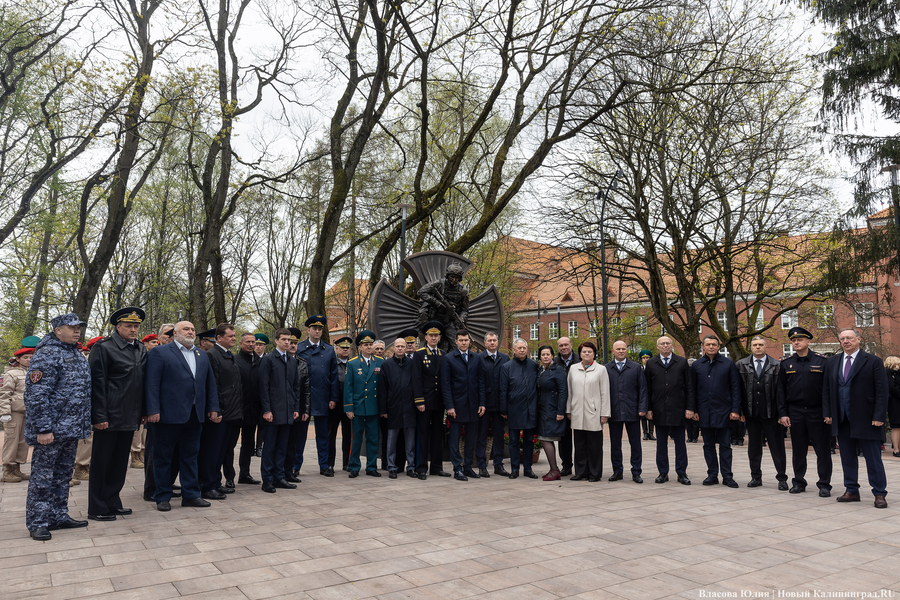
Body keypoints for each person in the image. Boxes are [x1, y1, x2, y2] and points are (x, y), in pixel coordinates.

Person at [23, 313, 92, 540]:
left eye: (79, 327)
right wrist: (43, 429)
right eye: (71, 327)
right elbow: (36, 395)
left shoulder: (75, 353)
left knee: (62, 475)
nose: (76, 331)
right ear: (57, 330)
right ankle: (38, 521)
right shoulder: (47, 354)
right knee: (43, 478)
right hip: (50, 431)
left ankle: (58, 515)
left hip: (70, 428)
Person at [144, 321, 220, 511]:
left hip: (195, 415)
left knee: (190, 457)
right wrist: (152, 410)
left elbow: (209, 384)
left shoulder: (201, 355)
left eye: (193, 329)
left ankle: (191, 494)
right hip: (168, 415)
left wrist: (213, 408)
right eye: (186, 329)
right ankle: (162, 496)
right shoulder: (160, 352)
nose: (190, 332)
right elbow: (151, 384)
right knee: (163, 458)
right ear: (175, 333)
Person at [87, 306, 148, 521]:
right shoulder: (104, 348)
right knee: (102, 462)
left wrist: (143, 411)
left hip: (130, 415)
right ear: (118, 327)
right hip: (109, 416)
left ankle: (113, 501)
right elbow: (96, 385)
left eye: (136, 326)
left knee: (119, 463)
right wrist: (99, 416)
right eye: (129, 326)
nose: (133, 330)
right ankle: (97, 506)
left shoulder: (140, 349)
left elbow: (141, 384)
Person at [823, 328, 890, 508]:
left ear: (858, 340)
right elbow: (827, 390)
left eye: (850, 338)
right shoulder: (832, 362)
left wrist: (879, 416)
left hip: (868, 419)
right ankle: (851, 490)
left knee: (873, 459)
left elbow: (882, 391)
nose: (846, 341)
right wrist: (828, 413)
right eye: (843, 339)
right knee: (847, 457)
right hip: (842, 418)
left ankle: (879, 493)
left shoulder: (873, 361)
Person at [776, 327, 832, 496]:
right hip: (796, 412)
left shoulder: (823, 361)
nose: (796, 342)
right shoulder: (786, 363)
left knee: (822, 450)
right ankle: (799, 482)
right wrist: (783, 413)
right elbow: (781, 391)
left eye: (800, 340)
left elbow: (828, 389)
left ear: (808, 341)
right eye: (793, 340)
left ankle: (824, 484)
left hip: (818, 411)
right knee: (798, 450)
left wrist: (828, 412)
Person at [736, 336, 787, 490]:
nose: (757, 347)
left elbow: (782, 391)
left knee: (777, 448)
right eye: (754, 345)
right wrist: (740, 410)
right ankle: (755, 477)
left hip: (772, 414)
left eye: (760, 345)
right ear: (750, 347)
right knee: (754, 448)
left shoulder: (777, 365)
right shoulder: (741, 365)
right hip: (751, 414)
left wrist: (781, 413)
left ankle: (782, 478)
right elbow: (737, 390)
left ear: (765, 347)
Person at [692, 335, 742, 488]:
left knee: (725, 445)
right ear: (703, 346)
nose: (711, 347)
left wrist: (735, 409)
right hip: (704, 411)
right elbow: (692, 390)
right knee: (708, 445)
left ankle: (727, 476)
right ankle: (712, 475)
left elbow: (735, 388)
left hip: (724, 412)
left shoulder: (728, 364)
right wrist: (694, 410)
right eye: (708, 344)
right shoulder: (697, 365)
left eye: (714, 344)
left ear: (719, 346)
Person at [201, 323, 244, 498]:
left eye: (234, 336)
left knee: (222, 451)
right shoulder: (212, 355)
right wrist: (215, 409)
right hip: (220, 413)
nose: (234, 338)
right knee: (212, 451)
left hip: (231, 412)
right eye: (230, 336)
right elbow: (213, 386)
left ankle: (216, 482)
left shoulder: (228, 354)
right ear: (219, 338)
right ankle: (207, 485)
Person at [644, 336, 695, 485]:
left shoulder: (681, 362)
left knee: (680, 443)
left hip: (678, 409)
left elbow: (689, 386)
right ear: (658, 346)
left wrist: (690, 408)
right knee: (661, 444)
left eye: (668, 343)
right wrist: (648, 409)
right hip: (659, 409)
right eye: (662, 344)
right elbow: (647, 388)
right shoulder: (651, 363)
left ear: (672, 346)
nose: (665, 346)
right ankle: (663, 472)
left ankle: (682, 472)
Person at [258, 328, 302, 493]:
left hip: (288, 411)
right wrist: (266, 410)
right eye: (283, 339)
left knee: (283, 446)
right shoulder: (269, 359)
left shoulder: (291, 360)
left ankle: (279, 477)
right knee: (269, 447)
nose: (287, 342)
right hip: (273, 412)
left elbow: (295, 387)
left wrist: (295, 408)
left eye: (289, 340)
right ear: (276, 340)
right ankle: (267, 480)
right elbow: (263, 387)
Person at [295, 315, 338, 477]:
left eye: (320, 329)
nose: (317, 331)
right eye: (314, 328)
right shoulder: (299, 348)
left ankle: (324, 465)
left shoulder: (328, 350)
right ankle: (295, 465)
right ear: (309, 330)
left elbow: (333, 376)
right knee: (300, 435)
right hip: (304, 398)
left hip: (323, 397)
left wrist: (333, 398)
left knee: (323, 434)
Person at [441, 328, 486, 481]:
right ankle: (457, 468)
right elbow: (445, 385)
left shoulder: (476, 358)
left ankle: (467, 467)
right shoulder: (448, 358)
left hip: (473, 406)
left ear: (469, 341)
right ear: (456, 341)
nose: (464, 342)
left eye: (466, 340)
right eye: (461, 340)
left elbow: (481, 381)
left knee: (470, 439)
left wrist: (482, 403)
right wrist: (449, 406)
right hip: (457, 407)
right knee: (454, 440)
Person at [606, 341, 649, 484]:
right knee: (615, 444)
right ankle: (617, 471)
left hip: (632, 411)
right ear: (613, 351)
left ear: (627, 351)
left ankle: (636, 472)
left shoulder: (636, 367)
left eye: (623, 349)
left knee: (635, 444)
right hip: (614, 411)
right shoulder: (607, 368)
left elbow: (643, 389)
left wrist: (642, 408)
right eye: (618, 349)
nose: (621, 351)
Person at [566, 341, 610, 482]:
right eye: (584, 351)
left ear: (594, 354)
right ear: (579, 354)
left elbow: (605, 393)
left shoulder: (601, 369)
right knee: (579, 445)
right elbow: (569, 391)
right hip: (577, 412)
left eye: (589, 352)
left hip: (594, 413)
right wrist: (568, 409)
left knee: (594, 445)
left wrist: (604, 413)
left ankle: (594, 473)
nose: (586, 354)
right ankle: (580, 472)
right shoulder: (573, 369)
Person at [378, 338, 421, 478]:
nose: (401, 348)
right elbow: (382, 389)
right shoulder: (387, 364)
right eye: (398, 346)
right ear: (394, 348)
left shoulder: (412, 363)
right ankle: (391, 467)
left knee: (410, 441)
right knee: (391, 440)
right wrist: (383, 410)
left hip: (409, 408)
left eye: (403, 346)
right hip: (393, 408)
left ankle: (411, 467)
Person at [413, 321, 449, 480]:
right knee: (423, 435)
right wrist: (419, 401)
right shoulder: (419, 354)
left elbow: (445, 380)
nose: (433, 338)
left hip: (439, 401)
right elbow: (417, 379)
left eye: (436, 336)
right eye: (431, 335)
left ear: (440, 338)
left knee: (437, 435)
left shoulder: (443, 355)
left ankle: (436, 467)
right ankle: (421, 468)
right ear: (425, 337)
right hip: (425, 402)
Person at [499, 339, 539, 479]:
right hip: (514, 409)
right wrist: (504, 410)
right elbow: (503, 390)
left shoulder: (534, 365)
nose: (522, 350)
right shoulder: (506, 367)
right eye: (519, 348)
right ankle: (515, 469)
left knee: (529, 440)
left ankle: (528, 468)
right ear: (514, 350)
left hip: (530, 409)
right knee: (514, 441)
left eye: (524, 348)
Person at [345, 330, 383, 477]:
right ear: (360, 347)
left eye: (370, 344)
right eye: (365, 345)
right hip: (358, 406)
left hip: (374, 406)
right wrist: (349, 408)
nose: (369, 347)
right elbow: (348, 388)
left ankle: (372, 467)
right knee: (357, 439)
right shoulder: (352, 363)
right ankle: (354, 467)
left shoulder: (380, 362)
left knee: (373, 438)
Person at [477, 331, 510, 477]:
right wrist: (481, 403)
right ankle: (482, 465)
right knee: (482, 435)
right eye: (489, 340)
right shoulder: (478, 359)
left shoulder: (505, 358)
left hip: (499, 405)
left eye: (494, 340)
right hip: (484, 405)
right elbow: (478, 383)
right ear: (485, 343)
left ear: (498, 342)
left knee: (499, 436)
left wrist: (505, 406)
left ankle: (498, 465)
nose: (492, 343)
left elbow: (507, 383)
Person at [416, 263, 470, 352]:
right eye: (452, 277)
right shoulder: (439, 284)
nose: (454, 280)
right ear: (448, 276)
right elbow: (421, 292)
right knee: (431, 342)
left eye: (457, 278)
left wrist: (461, 319)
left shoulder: (463, 291)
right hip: (435, 319)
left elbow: (465, 310)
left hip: (450, 321)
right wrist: (436, 302)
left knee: (458, 344)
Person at [1, 344, 34, 482]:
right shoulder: (10, 374)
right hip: (14, 413)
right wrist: (4, 412)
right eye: (25, 357)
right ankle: (7, 471)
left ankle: (17, 469)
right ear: (18, 359)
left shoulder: (35, 373)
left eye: (31, 357)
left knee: (23, 442)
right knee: (12, 441)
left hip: (28, 412)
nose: (29, 360)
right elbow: (3, 394)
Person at [72, 335, 103, 483]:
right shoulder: (86, 360)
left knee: (91, 438)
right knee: (85, 438)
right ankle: (81, 467)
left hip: (93, 403)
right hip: (82, 404)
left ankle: (86, 465)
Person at [283, 327, 311, 484]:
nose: (292, 345)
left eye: (295, 342)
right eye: (290, 342)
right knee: (282, 442)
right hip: (283, 409)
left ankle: (291, 470)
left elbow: (306, 390)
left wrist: (306, 410)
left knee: (295, 441)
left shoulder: (302, 363)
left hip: (298, 410)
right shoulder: (277, 360)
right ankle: (280, 470)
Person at [536, 345, 567, 481]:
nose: (546, 357)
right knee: (544, 437)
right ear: (540, 357)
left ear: (552, 356)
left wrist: (560, 411)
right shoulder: (541, 370)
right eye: (543, 355)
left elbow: (563, 391)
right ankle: (554, 469)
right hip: (543, 409)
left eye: (548, 354)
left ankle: (555, 470)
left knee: (546, 438)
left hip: (553, 409)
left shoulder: (557, 370)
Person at [235, 332, 262, 484]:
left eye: (253, 342)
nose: (251, 344)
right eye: (248, 342)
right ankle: (229, 477)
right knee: (229, 444)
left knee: (248, 444)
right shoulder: (234, 360)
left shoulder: (259, 361)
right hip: (237, 409)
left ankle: (244, 474)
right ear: (241, 343)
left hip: (253, 409)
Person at [327, 336, 353, 472]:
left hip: (348, 405)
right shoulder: (332, 364)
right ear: (336, 349)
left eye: (347, 348)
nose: (345, 349)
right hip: (334, 404)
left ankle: (347, 463)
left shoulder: (353, 364)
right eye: (342, 347)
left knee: (348, 435)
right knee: (330, 435)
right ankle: (329, 463)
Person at [554, 337, 577, 476]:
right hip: (561, 405)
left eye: (566, 345)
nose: (564, 347)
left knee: (580, 438)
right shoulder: (554, 362)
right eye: (561, 345)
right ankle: (566, 465)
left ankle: (581, 466)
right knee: (564, 438)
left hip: (578, 404)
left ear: (571, 345)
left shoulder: (579, 360)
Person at [638, 350, 655, 441]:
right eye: (644, 358)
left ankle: (651, 432)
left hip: (651, 394)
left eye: (647, 358)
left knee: (651, 414)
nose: (646, 360)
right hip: (642, 394)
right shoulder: (639, 369)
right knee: (643, 415)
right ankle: (645, 432)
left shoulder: (653, 368)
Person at [885, 356, 900, 458]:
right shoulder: (887, 373)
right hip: (894, 403)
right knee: (896, 425)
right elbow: (892, 387)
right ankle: (896, 449)